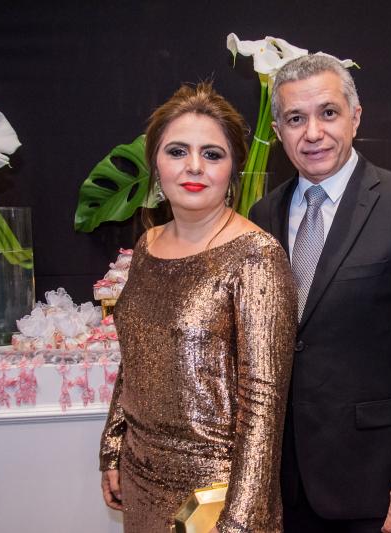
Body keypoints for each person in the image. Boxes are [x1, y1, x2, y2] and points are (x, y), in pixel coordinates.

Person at [249, 54, 391, 533]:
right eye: (296, 119)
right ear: (278, 132)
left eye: (328, 113)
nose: (313, 133)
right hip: (283, 483)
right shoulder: (263, 216)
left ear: (355, 117)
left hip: (375, 484)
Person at [99, 82, 297, 533]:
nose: (193, 166)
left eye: (212, 154)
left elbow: (264, 407)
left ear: (233, 169)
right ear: (155, 163)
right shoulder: (148, 245)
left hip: (216, 495)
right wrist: (112, 447)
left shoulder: (257, 257)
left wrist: (240, 521)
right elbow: (134, 360)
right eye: (177, 151)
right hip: (140, 478)